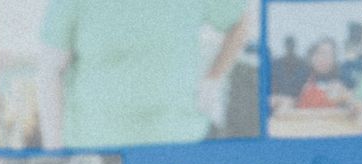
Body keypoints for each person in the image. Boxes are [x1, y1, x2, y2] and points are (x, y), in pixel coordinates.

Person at [35, 0, 252, 148]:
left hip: (182, 140)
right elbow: (50, 72)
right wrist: (55, 150)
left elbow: (240, 24)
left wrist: (212, 80)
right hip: (99, 148)